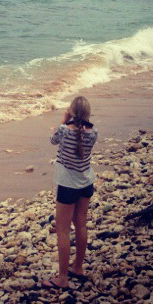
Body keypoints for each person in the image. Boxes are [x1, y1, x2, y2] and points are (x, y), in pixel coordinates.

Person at [42, 95, 98, 290]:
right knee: (81, 224)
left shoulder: (65, 130)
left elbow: (53, 140)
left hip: (68, 185)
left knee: (63, 230)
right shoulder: (94, 132)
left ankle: (63, 278)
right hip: (86, 182)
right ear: (88, 113)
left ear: (72, 112)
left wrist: (63, 120)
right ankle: (78, 268)